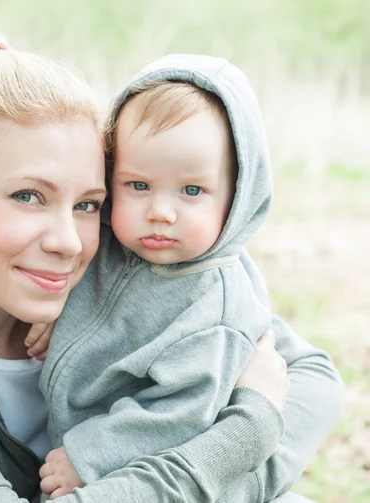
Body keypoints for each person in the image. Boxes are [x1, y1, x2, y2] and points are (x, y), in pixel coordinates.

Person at [0, 30, 341, 503]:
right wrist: (246, 435)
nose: (70, 243)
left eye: (88, 204)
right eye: (28, 196)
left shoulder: (130, 265)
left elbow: (309, 376)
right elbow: (271, 401)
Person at [34, 55, 344, 502]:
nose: (160, 211)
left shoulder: (215, 306)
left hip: (139, 470)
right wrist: (59, 307)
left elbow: (180, 413)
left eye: (192, 191)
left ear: (235, 197)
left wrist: (90, 456)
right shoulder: (106, 245)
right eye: (137, 185)